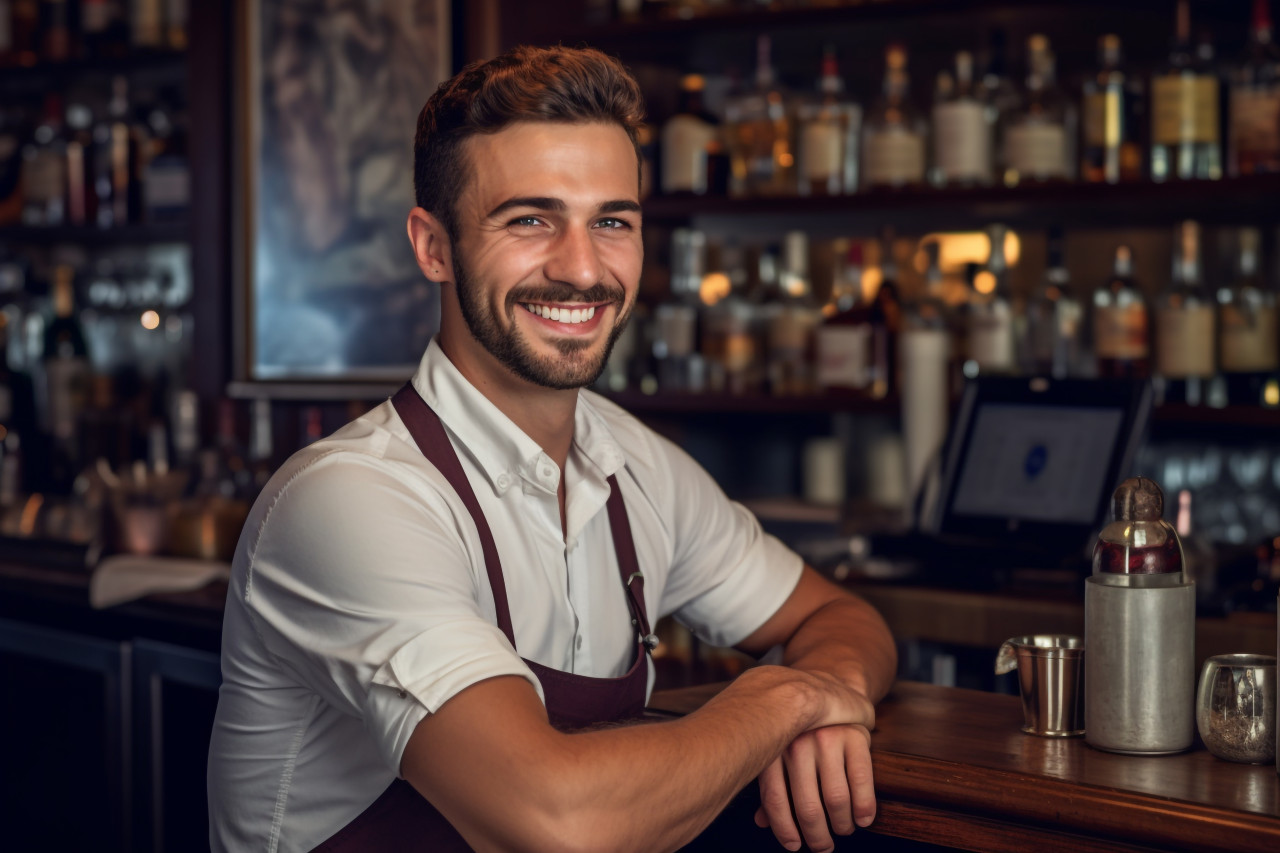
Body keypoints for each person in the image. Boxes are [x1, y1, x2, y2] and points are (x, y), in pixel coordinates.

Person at [208, 44, 897, 853]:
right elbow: (556, 820)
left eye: (612, 221)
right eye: (531, 219)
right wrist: (785, 701)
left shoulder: (639, 466)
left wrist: (835, 688)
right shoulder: (350, 499)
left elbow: (838, 614)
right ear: (433, 247)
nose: (582, 269)